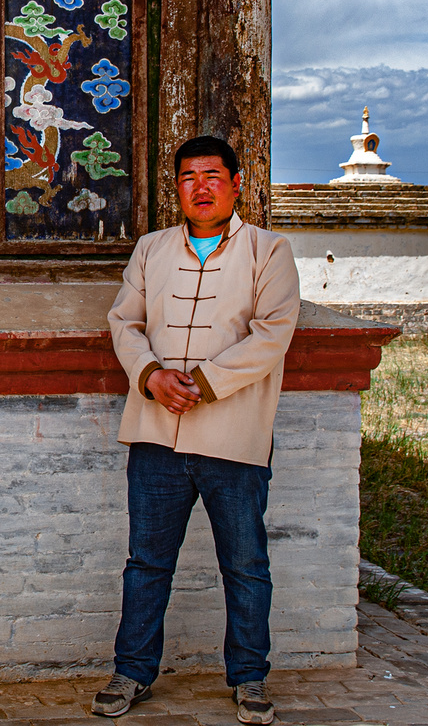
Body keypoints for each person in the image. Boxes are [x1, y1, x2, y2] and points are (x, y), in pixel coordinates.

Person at [91, 135, 300, 725]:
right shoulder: (152, 250)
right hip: (157, 433)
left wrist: (203, 383)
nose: (201, 186)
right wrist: (152, 375)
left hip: (234, 435)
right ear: (176, 188)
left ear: (237, 183)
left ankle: (251, 678)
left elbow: (273, 333)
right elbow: (124, 322)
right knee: (147, 563)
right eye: (188, 177)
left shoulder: (268, 250)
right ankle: (132, 670)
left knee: (245, 563)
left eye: (213, 175)